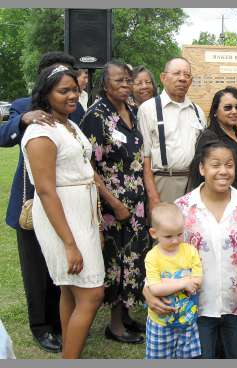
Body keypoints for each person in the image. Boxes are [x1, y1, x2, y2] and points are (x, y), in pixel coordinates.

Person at [144, 142, 237, 358]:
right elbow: (162, 255)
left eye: (229, 165)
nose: (223, 171)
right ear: (202, 169)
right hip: (194, 308)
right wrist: (148, 290)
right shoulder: (183, 207)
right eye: (215, 165)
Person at [0, 51, 85, 354]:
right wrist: (22, 120)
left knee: (61, 268)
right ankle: (41, 327)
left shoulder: (75, 110)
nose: (69, 87)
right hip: (31, 203)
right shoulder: (23, 106)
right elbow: (2, 135)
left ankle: (64, 323)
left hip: (70, 204)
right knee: (37, 271)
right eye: (58, 75)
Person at [21, 64, 105, 358]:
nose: (72, 95)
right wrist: (70, 243)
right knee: (92, 293)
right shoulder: (40, 132)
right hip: (62, 217)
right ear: (46, 94)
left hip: (83, 215)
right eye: (63, 90)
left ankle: (70, 355)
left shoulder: (68, 124)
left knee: (71, 290)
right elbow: (45, 190)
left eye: (75, 89)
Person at [80, 60, 150, 344]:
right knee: (116, 263)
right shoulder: (97, 115)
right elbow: (88, 168)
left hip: (137, 202)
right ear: (104, 84)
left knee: (134, 260)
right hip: (113, 207)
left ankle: (127, 313)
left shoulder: (132, 110)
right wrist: (115, 203)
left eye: (128, 80)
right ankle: (115, 325)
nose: (125, 85)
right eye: (119, 80)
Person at [138, 57, 206, 211]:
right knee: (164, 232)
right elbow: (145, 158)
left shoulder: (197, 111)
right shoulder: (148, 109)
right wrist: (153, 197)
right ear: (163, 77)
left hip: (194, 183)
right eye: (177, 73)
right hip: (164, 182)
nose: (182, 78)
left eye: (187, 75)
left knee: (191, 232)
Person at [144, 203, 203, 359]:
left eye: (179, 234)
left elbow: (197, 280)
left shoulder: (190, 251)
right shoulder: (153, 257)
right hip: (161, 322)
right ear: (154, 233)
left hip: (187, 320)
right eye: (168, 236)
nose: (176, 240)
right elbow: (155, 289)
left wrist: (167, 284)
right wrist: (184, 283)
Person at [189, 86, 237, 195]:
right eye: (228, 107)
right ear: (215, 112)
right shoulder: (209, 137)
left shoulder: (236, 133)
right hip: (220, 201)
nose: (234, 111)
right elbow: (199, 176)